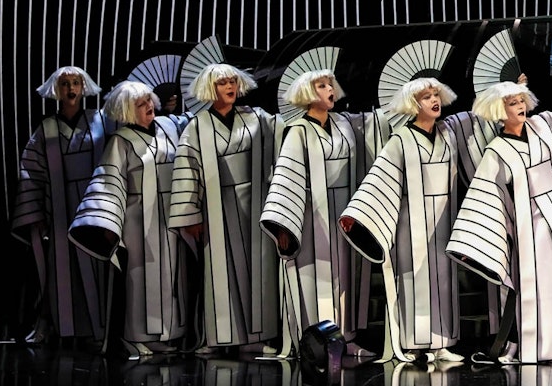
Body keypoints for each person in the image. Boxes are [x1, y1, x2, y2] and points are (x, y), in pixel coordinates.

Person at [444, 80, 552, 364]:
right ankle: (547, 348)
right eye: (512, 103)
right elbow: (488, 192)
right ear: (499, 111)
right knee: (542, 288)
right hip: (532, 226)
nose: (519, 107)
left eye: (521, 101)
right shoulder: (496, 151)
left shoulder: (543, 125)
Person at [340, 78, 465, 363]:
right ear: (413, 104)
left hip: (443, 218)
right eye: (425, 97)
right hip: (411, 221)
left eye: (435, 94)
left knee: (443, 280)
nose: (433, 100)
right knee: (414, 278)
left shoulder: (449, 132)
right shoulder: (400, 139)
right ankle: (414, 342)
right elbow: (380, 179)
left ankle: (441, 342)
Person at [259, 68, 380, 358]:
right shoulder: (298, 132)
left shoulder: (344, 123)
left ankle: (347, 338)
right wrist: (284, 228)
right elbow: (287, 179)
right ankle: (316, 342)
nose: (330, 89)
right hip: (311, 216)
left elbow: (378, 123)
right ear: (308, 94)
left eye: (330, 84)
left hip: (344, 211)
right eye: (322, 85)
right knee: (316, 277)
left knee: (344, 277)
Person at [68, 80, 189, 357]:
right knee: (142, 277)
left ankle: (171, 332)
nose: (149, 106)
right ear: (126, 111)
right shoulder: (120, 142)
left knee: (173, 276)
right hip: (138, 221)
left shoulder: (169, 127)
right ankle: (138, 337)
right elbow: (109, 182)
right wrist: (108, 225)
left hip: (169, 217)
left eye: (149, 101)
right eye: (141, 104)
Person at [167, 63, 280, 355]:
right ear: (209, 89)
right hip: (216, 206)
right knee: (220, 272)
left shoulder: (258, 118)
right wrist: (189, 213)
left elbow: (286, 135)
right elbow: (187, 169)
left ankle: (256, 336)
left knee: (257, 270)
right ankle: (219, 337)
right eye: (221, 83)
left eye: (232, 81)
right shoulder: (197, 127)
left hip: (255, 203)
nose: (229, 87)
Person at [12, 66, 111, 346]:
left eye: (76, 82)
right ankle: (55, 327)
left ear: (84, 87)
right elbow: (32, 170)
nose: (71, 88)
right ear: (56, 90)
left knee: (95, 267)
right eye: (65, 83)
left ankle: (98, 330)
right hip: (60, 207)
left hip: (93, 205)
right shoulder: (47, 128)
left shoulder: (100, 120)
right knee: (60, 270)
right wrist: (36, 213)